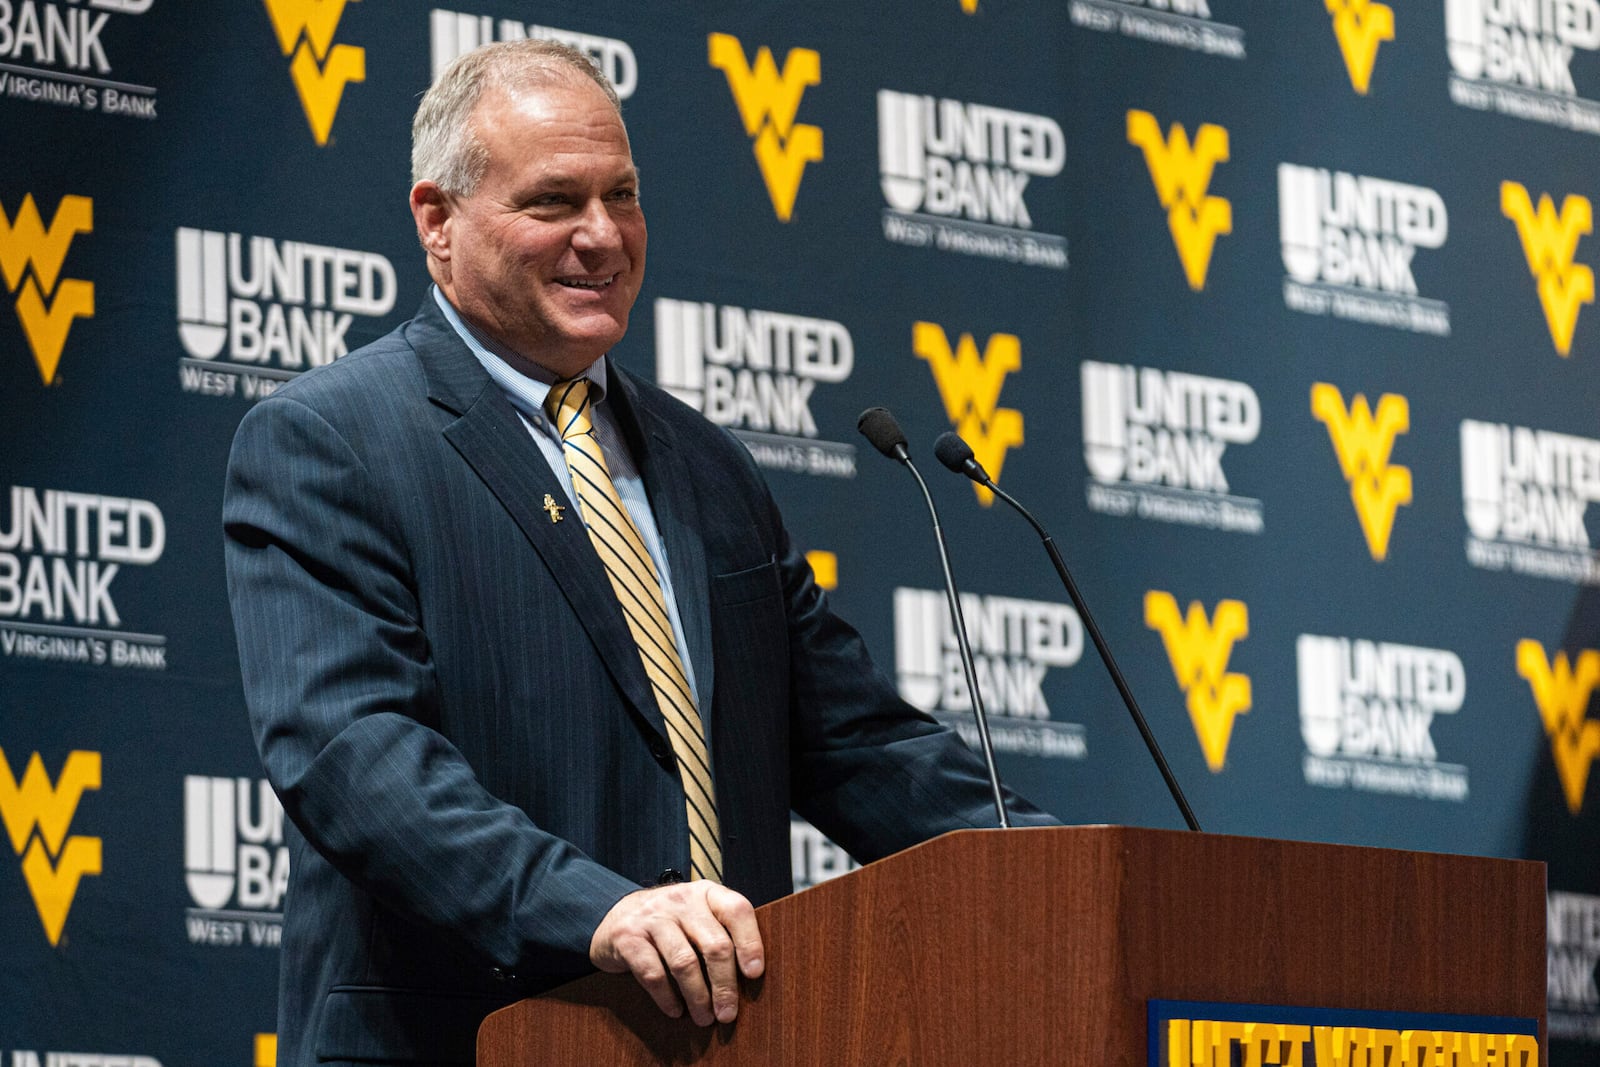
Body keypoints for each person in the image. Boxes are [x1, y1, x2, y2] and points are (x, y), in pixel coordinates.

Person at [223, 39, 1053, 1067]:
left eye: (622, 194)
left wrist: (1071, 873)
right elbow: (354, 757)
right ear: (438, 222)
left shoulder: (709, 466)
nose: (602, 236)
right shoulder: (330, 439)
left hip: (731, 1040)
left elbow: (857, 746)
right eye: (554, 201)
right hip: (466, 1037)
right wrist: (599, 911)